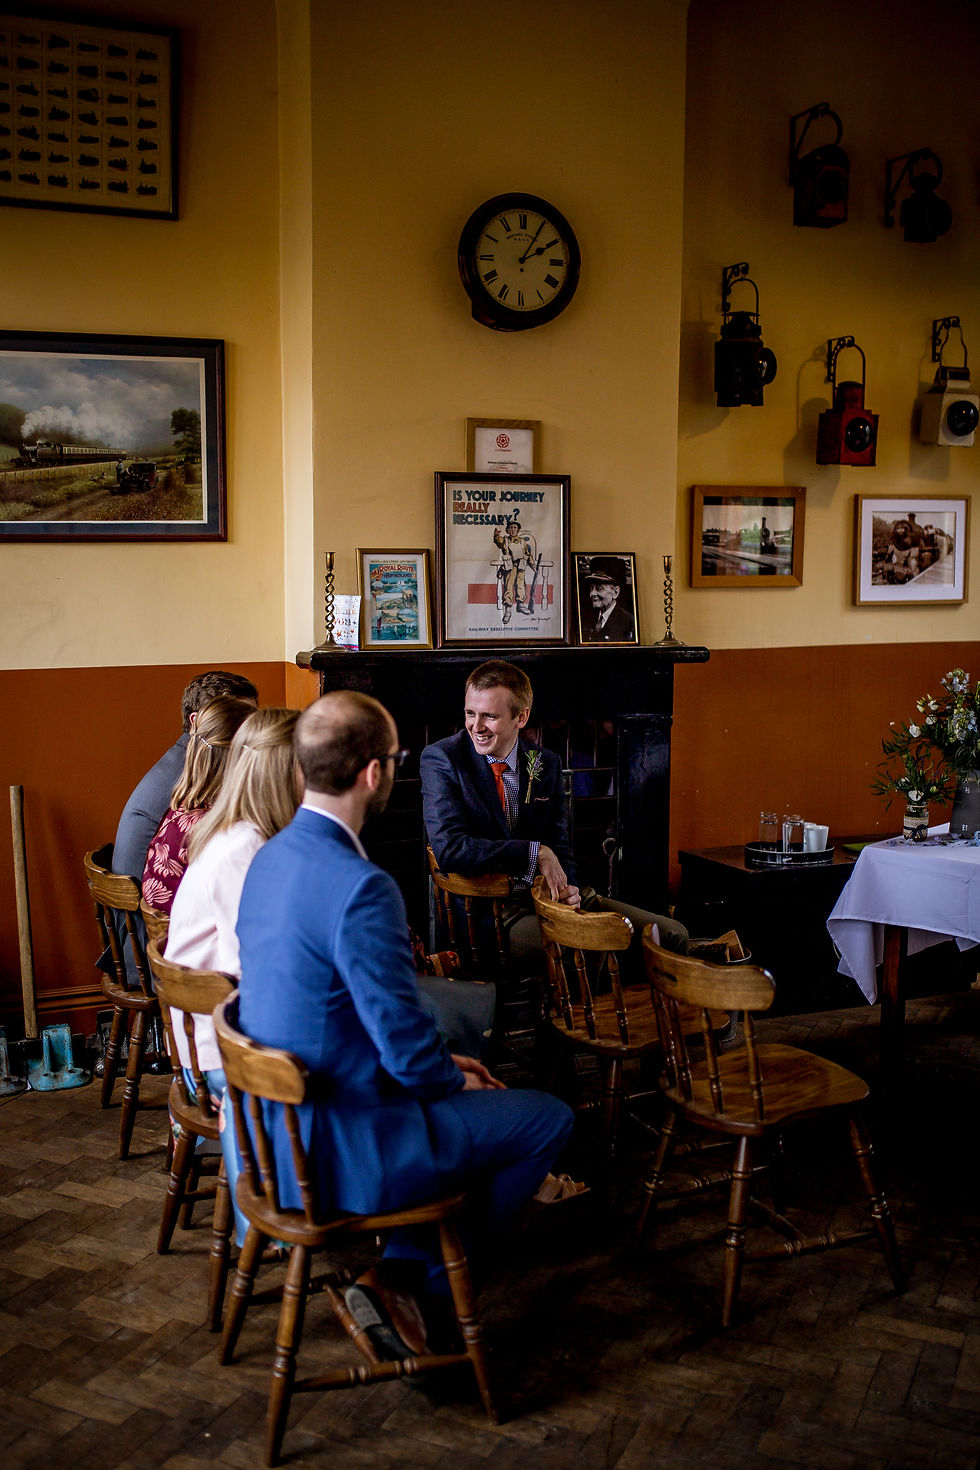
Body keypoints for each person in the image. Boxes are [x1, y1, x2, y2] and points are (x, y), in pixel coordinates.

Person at [235, 691, 573, 1348]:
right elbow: (406, 1052)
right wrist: (451, 1076)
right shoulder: (362, 886)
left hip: (275, 1134)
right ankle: (426, 1289)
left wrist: (445, 1067)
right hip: (347, 1146)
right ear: (372, 774)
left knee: (474, 1096)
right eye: (395, 760)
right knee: (545, 1118)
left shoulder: (270, 855)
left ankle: (397, 1273)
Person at [419, 659, 688, 963]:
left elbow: (560, 845)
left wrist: (569, 888)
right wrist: (535, 853)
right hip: (494, 912)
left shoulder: (545, 763)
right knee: (589, 946)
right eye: (470, 713)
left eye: (489, 716)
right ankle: (587, 1010)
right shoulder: (442, 759)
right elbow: (450, 849)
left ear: (521, 717)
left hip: (552, 900)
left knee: (673, 934)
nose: (476, 727)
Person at [165, 706, 301, 1244]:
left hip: (211, 1036)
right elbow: (261, 977)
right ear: (285, 776)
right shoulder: (245, 852)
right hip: (224, 1053)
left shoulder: (235, 833)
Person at [108, 669, 258, 984]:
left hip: (148, 939)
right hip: (151, 953)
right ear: (197, 722)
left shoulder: (187, 769)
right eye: (239, 721)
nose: (251, 734)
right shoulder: (192, 783)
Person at [141, 694, 255, 916]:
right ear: (239, 757)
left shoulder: (182, 809)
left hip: (166, 944)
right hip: (197, 946)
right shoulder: (214, 829)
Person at [493, 514, 538, 624]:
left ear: (518, 530)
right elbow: (498, 541)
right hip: (510, 567)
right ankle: (508, 610)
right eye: (511, 528)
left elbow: (528, 554)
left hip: (521, 566)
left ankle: (520, 606)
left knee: (521, 586)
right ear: (508, 530)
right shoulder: (505, 540)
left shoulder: (522, 541)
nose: (513, 530)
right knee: (508, 587)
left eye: (515, 528)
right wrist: (496, 536)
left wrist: (533, 566)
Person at [579, 556, 635, 643]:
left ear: (615, 592)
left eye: (599, 588)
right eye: (591, 588)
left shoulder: (629, 622)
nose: (592, 594)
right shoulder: (585, 618)